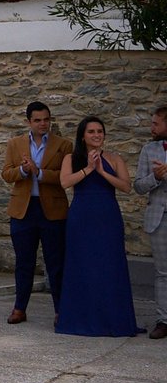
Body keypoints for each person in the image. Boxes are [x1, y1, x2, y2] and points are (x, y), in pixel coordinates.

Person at [56, 116, 139, 337]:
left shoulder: (115, 158)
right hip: (82, 217)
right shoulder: (70, 158)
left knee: (109, 266)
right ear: (83, 136)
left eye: (100, 131)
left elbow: (126, 187)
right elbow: (65, 183)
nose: (96, 135)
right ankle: (80, 318)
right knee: (82, 265)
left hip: (107, 216)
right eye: (91, 131)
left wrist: (102, 171)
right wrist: (89, 168)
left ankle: (112, 319)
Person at [0, 101, 72, 325]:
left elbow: (64, 177)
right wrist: (23, 170)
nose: (43, 124)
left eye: (46, 120)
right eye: (38, 120)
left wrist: (39, 172)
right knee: (24, 262)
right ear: (29, 122)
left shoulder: (64, 145)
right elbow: (6, 174)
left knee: (56, 262)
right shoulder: (15, 143)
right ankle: (19, 308)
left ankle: (61, 310)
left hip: (52, 209)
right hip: (23, 209)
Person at [133, 106, 167, 340]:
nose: (151, 127)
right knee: (163, 272)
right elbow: (138, 186)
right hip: (159, 218)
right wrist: (155, 177)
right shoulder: (148, 149)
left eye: (156, 123)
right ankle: (164, 319)